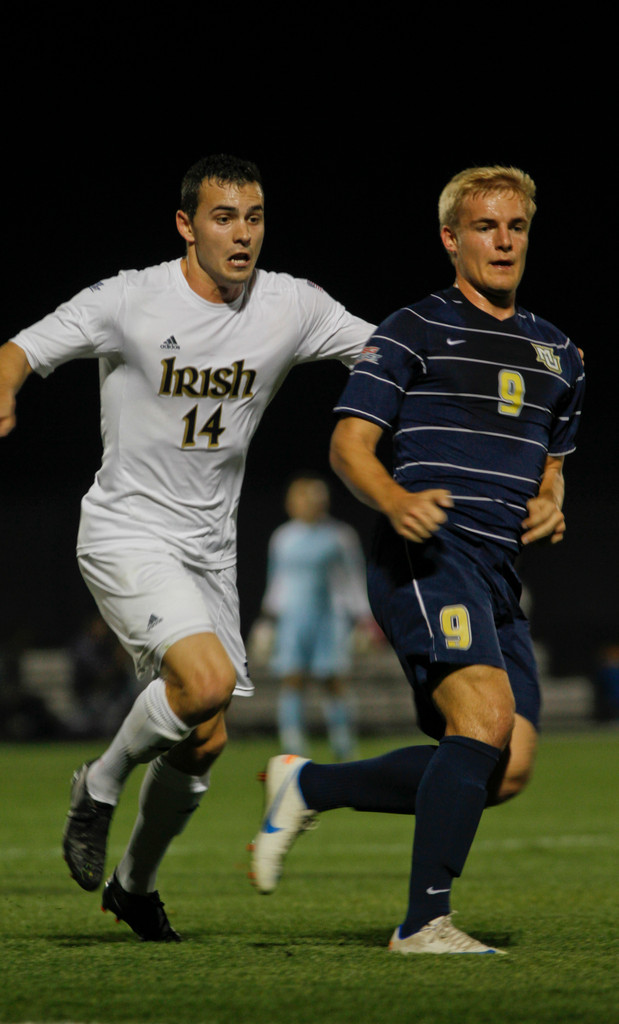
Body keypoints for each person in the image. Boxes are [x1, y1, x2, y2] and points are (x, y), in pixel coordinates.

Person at [0, 154, 375, 942]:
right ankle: (99, 784)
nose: (241, 234)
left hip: (209, 552)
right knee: (204, 683)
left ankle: (134, 886)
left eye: (253, 217)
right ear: (186, 224)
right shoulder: (129, 300)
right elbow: (20, 349)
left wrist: (507, 361)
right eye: (223, 217)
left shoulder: (291, 305)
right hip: (127, 531)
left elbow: (392, 355)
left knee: (204, 736)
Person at [249, 165, 585, 955]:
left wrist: (550, 502)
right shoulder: (411, 329)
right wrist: (394, 500)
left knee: (504, 766)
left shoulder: (560, 353)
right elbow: (348, 445)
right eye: (484, 227)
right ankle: (422, 922)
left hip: (498, 571)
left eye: (514, 227)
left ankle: (308, 783)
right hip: (427, 553)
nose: (502, 241)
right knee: (483, 719)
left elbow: (551, 466)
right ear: (450, 238)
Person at [259, 472, 372, 759]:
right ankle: (292, 743)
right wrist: (267, 621)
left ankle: (343, 743)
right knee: (292, 678)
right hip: (293, 618)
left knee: (333, 679)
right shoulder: (283, 537)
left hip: (329, 617)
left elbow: (352, 579)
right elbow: (277, 580)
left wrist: (364, 619)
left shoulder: (340, 536)